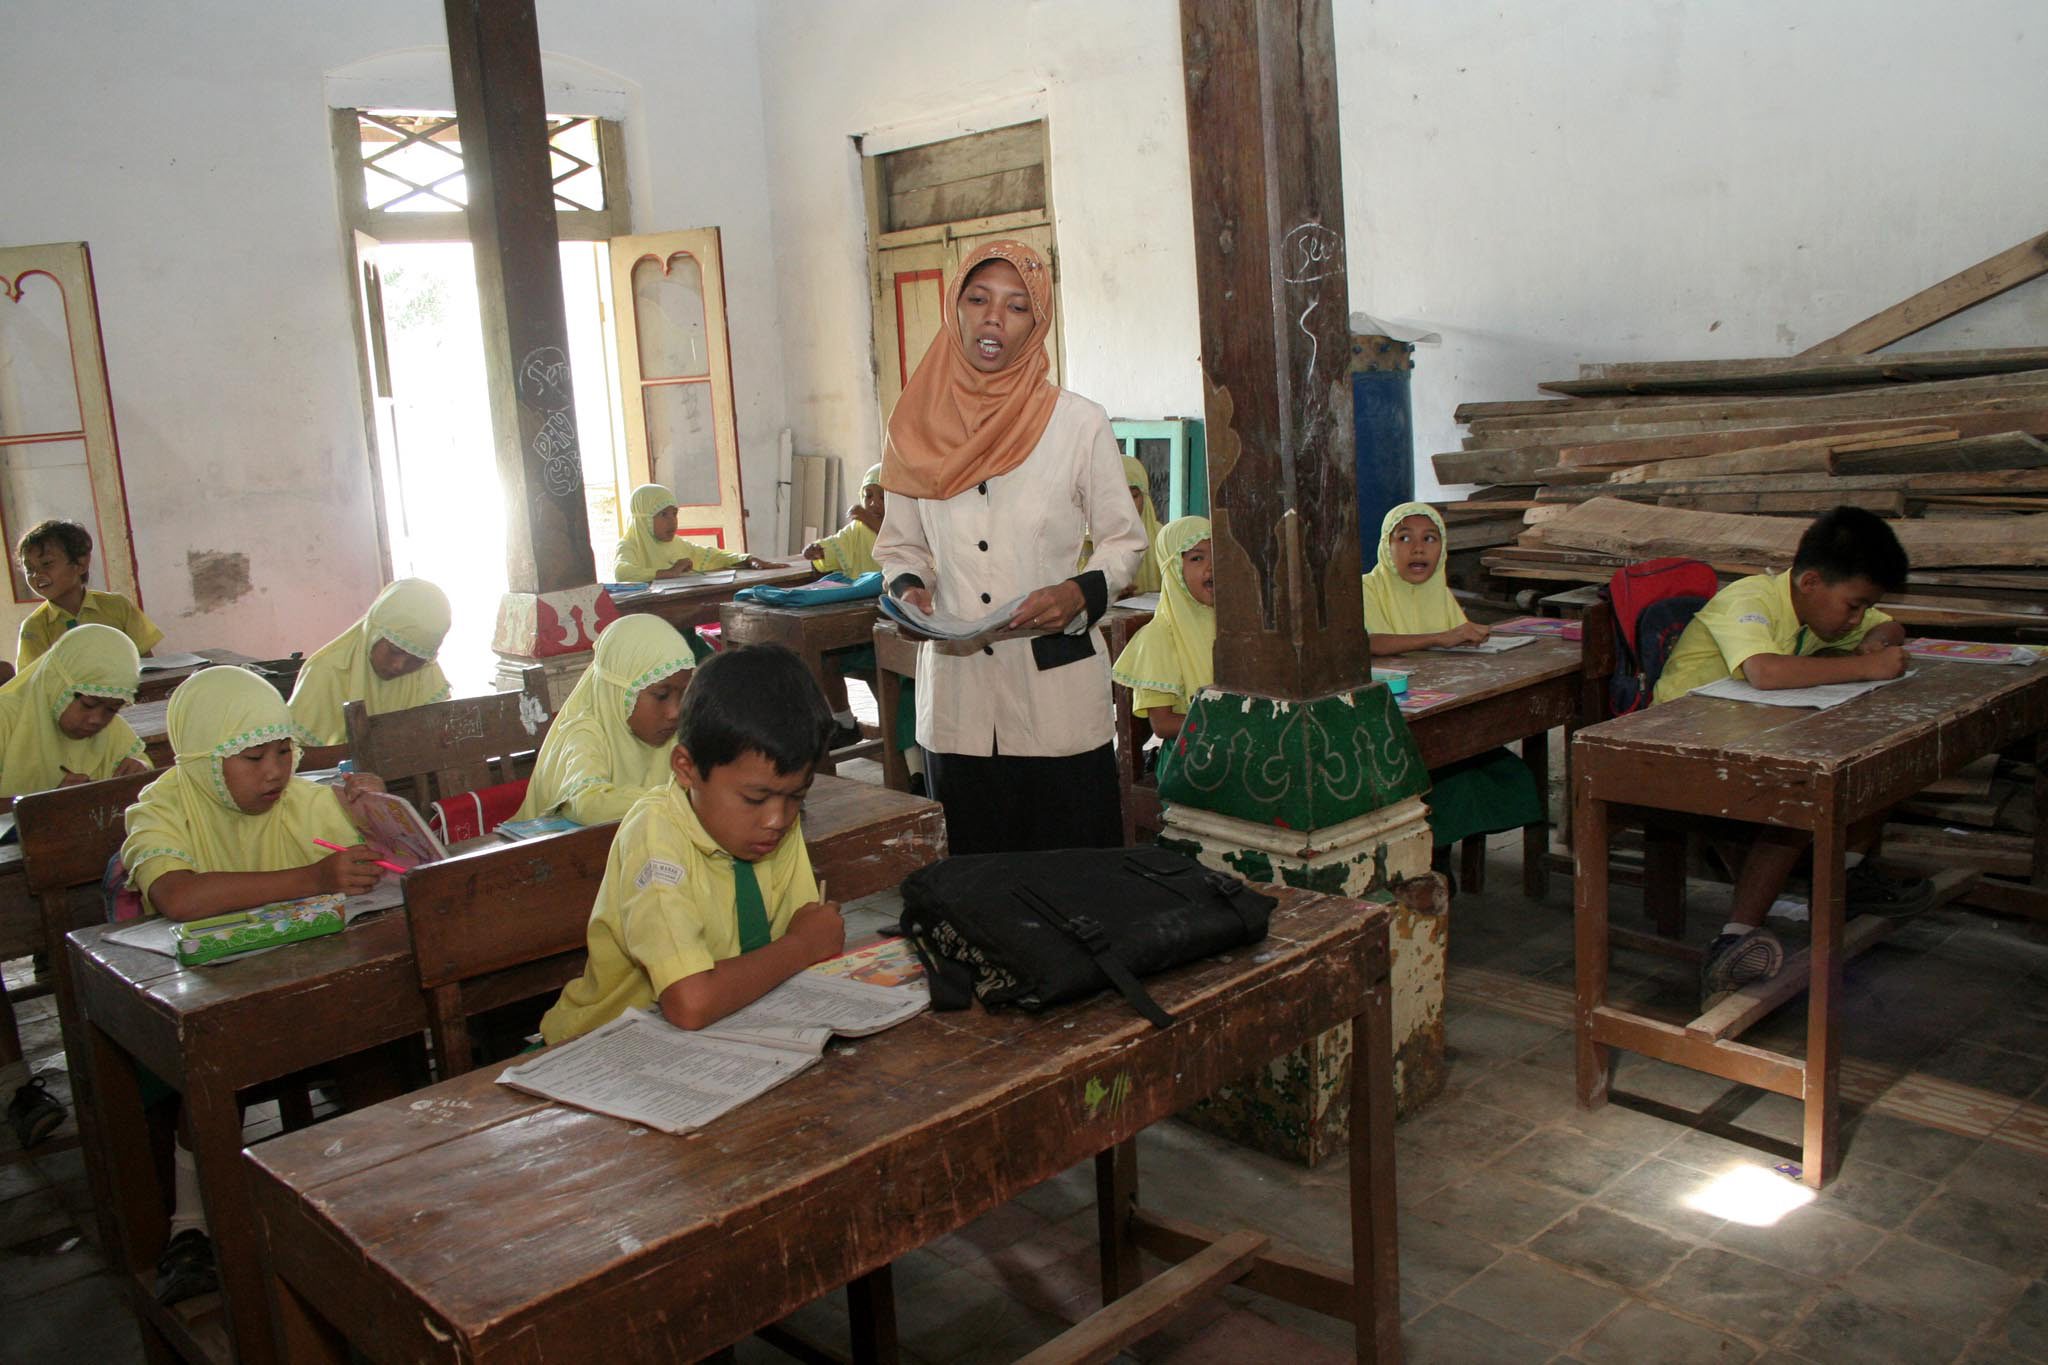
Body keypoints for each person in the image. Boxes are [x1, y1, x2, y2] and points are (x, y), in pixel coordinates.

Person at [117, 665, 390, 1303]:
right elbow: (178, 895)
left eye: (285, 751)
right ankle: (192, 1227)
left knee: (376, 1031)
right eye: (253, 757)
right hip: (207, 993)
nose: (276, 771)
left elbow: (363, 868)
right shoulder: (160, 806)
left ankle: (370, 1195)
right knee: (214, 1073)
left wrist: (375, 823)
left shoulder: (305, 800)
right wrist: (310, 878)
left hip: (303, 981)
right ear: (205, 761)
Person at [874, 239, 1146, 854]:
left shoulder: (1077, 423)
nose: (994, 317)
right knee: (977, 890)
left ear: (1036, 324)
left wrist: (1078, 592)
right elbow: (899, 549)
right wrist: (909, 590)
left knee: (1077, 886)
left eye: (1017, 306)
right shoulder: (912, 429)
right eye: (978, 299)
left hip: (1055, 699)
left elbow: (1123, 542)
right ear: (956, 310)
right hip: (956, 706)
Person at [1650, 505, 1926, 1008]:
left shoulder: (1822, 609)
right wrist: (1867, 666)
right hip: (1674, 747)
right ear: (1811, 582)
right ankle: (1735, 939)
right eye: (1853, 606)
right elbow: (1766, 673)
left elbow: (1892, 627)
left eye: (1863, 608)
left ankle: (1841, 874)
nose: (1856, 617)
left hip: (1744, 735)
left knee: (1884, 759)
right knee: (1796, 801)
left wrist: (1873, 638)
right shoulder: (1749, 598)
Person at [539, 644, 840, 1043]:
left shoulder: (768, 826)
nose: (777, 820)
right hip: (604, 1046)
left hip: (723, 1031)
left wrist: (806, 943)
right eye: (754, 798)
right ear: (686, 768)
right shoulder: (656, 834)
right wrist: (802, 945)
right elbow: (690, 1002)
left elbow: (800, 944)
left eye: (796, 797)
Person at [1360, 501, 1544, 859]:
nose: (1418, 548)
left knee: (1502, 770)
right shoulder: (1368, 588)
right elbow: (1369, 643)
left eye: (1430, 538)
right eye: (1404, 538)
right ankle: (1428, 867)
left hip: (1439, 710)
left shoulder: (1439, 592)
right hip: (1390, 723)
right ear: (1387, 546)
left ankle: (1440, 862)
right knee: (1446, 778)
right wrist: (1438, 638)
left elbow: (1455, 641)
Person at [513, 615, 694, 826]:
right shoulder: (581, 733)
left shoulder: (674, 731)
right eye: (661, 695)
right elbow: (588, 804)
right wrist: (679, 800)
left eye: (684, 694)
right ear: (620, 691)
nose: (675, 712)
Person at [287, 577, 454, 746]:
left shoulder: (425, 670)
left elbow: (440, 733)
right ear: (374, 633)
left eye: (416, 660)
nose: (399, 665)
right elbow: (294, 755)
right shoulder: (325, 671)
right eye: (395, 650)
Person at [0, 623, 152, 804]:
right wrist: (45, 802)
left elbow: (145, 772)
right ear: (56, 687)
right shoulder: (6, 718)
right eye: (88, 704)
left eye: (112, 709)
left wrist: (140, 769)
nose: (97, 720)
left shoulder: (113, 730)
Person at [1111, 517, 1214, 742]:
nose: (1212, 566)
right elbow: (1163, 725)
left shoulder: (1234, 625)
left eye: (1219, 554)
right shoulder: (1158, 637)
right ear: (1174, 569)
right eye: (1197, 558)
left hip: (1234, 744)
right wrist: (1223, 724)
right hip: (1189, 755)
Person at [15, 519, 163, 670]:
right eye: (29, 569)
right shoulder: (34, 627)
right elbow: (33, 683)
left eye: (46, 563)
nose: (36, 574)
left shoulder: (118, 606)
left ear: (81, 564)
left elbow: (147, 663)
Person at [612, 483, 772, 583]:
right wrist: (668, 573)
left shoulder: (677, 544)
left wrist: (746, 559)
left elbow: (708, 555)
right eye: (663, 514)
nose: (672, 521)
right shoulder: (629, 545)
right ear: (643, 519)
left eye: (674, 513)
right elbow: (622, 572)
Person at [1081, 455, 1164, 596]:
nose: (1126, 505)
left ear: (1145, 497)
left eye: (1133, 496)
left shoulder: (1162, 539)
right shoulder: (1082, 542)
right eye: (1117, 498)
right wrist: (1103, 595)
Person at [804, 463, 885, 576]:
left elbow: (893, 539)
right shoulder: (858, 528)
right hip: (863, 592)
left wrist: (868, 518)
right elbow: (840, 543)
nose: (874, 504)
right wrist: (820, 551)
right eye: (868, 496)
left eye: (883, 497)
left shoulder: (905, 525)